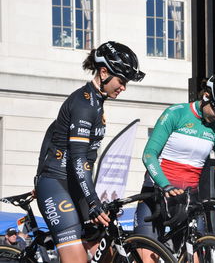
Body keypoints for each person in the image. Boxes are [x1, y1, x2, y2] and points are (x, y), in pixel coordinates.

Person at [34, 41, 145, 263]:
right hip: (56, 183)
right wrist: (93, 201)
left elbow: (52, 130)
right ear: (104, 72)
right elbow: (78, 158)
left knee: (106, 253)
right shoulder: (84, 104)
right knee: (77, 259)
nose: (123, 87)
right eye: (121, 81)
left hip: (76, 184)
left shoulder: (96, 102)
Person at [134, 72, 215, 261]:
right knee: (148, 259)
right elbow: (149, 154)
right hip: (156, 193)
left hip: (187, 201)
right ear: (206, 96)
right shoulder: (176, 113)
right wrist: (165, 184)